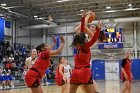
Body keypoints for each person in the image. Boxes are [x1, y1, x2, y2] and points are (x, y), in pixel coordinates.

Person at [69, 10, 101, 93]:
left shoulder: (91, 35)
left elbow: (83, 28)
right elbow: (80, 29)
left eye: (94, 27)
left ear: (94, 30)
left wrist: (86, 17)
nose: (92, 27)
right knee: (87, 86)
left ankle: (97, 91)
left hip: (82, 65)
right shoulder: (84, 40)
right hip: (84, 67)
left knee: (87, 84)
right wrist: (86, 18)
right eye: (91, 26)